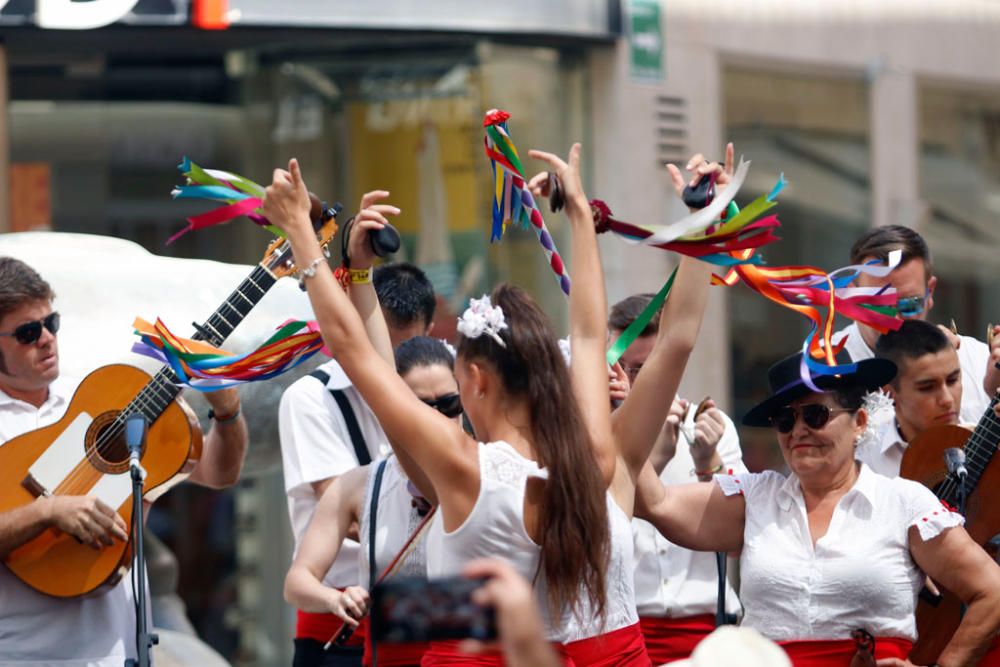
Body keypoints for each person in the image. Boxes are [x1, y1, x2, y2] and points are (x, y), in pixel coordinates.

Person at [635, 350, 1000, 666]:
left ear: (858, 423)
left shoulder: (902, 503)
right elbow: (653, 502)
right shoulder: (755, 498)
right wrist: (621, 409)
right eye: (784, 420)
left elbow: (992, 592)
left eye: (814, 415)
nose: (797, 431)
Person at [0, 256, 249, 666]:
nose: (46, 338)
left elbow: (220, 473)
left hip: (118, 655)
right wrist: (47, 512)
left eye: (52, 323)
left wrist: (227, 411)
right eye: (28, 332)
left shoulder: (96, 402)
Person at [279, 191, 436, 666]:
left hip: (431, 621)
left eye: (417, 346)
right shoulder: (311, 400)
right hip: (340, 626)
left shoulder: (440, 401)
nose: (402, 364)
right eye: (389, 344)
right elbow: (351, 518)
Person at [284, 335, 461, 667]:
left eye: (450, 405)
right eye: (423, 407)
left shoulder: (489, 471)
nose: (439, 419)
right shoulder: (361, 483)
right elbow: (298, 580)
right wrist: (333, 599)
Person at [608, 294, 745, 663]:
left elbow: (740, 542)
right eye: (619, 367)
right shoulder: (595, 435)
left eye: (643, 369)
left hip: (706, 630)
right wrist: (650, 457)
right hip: (624, 628)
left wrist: (707, 462)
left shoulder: (713, 428)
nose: (628, 380)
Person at [834, 224, 999, 424]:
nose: (893, 320)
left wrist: (993, 394)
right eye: (878, 306)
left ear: (930, 292)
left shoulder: (978, 362)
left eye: (909, 305)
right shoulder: (822, 368)